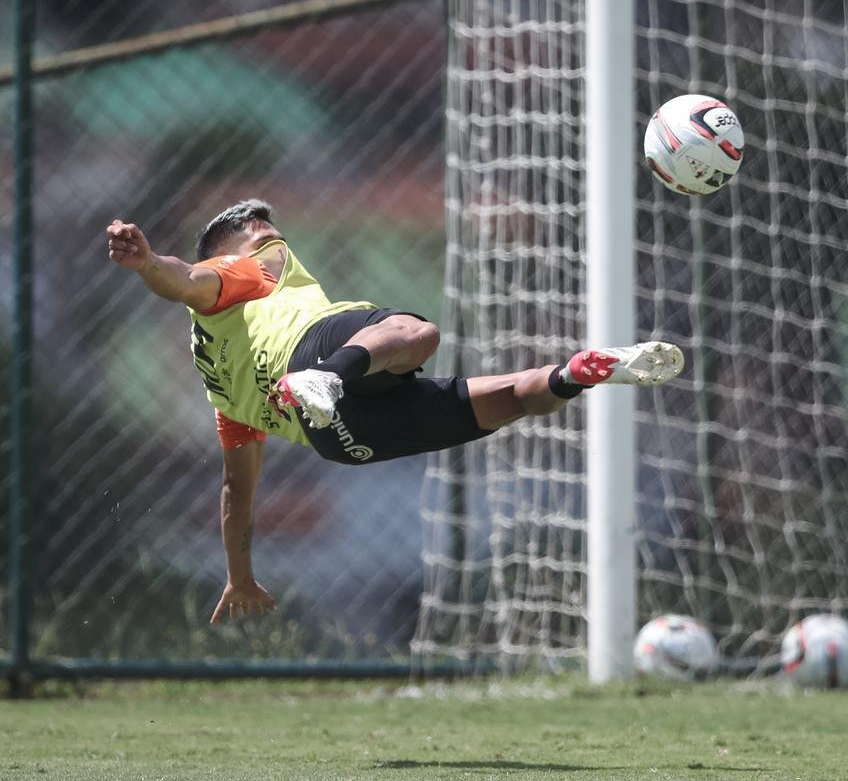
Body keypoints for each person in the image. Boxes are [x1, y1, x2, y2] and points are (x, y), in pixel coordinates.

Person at [105, 200, 684, 626]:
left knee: (514, 396)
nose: (275, 241)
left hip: (338, 436)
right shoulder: (243, 273)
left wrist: (239, 575)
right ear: (234, 251)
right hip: (316, 362)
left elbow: (236, 488)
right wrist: (150, 262)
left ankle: (580, 371)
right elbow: (185, 276)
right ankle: (329, 376)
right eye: (262, 233)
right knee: (416, 330)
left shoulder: (222, 390)